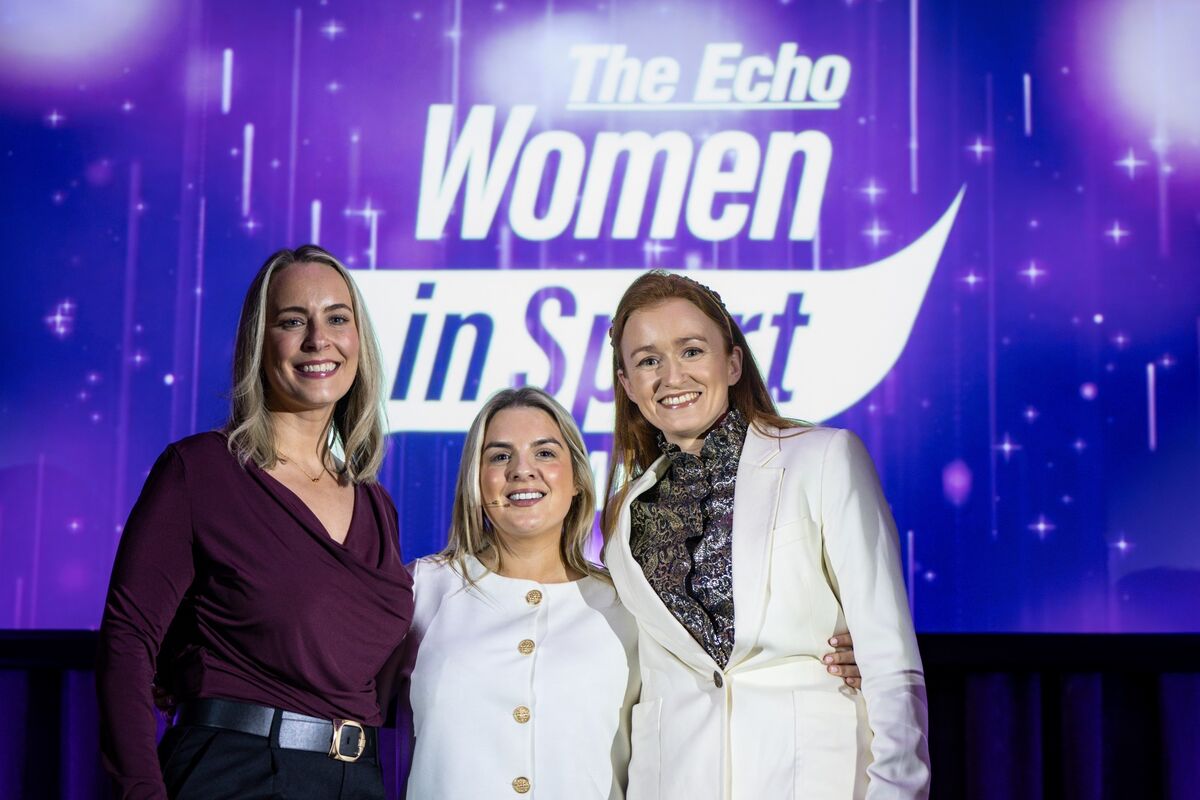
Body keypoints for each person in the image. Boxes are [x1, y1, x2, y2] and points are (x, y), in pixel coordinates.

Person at [97, 245, 414, 800]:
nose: (319, 340)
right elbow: (127, 643)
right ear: (258, 344)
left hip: (356, 780)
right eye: (293, 322)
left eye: (337, 318)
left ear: (359, 340)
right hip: (237, 772)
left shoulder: (376, 506)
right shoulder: (200, 471)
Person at [603, 270, 930, 799]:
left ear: (731, 363)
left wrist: (897, 789)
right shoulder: (624, 514)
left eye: (691, 350)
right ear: (627, 384)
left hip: (811, 779)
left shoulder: (824, 458)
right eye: (647, 360)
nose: (671, 375)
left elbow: (888, 655)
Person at [400, 387, 639, 799]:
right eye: (499, 456)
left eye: (545, 453)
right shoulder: (424, 589)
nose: (522, 470)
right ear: (476, 480)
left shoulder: (628, 606)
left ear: (579, 479)